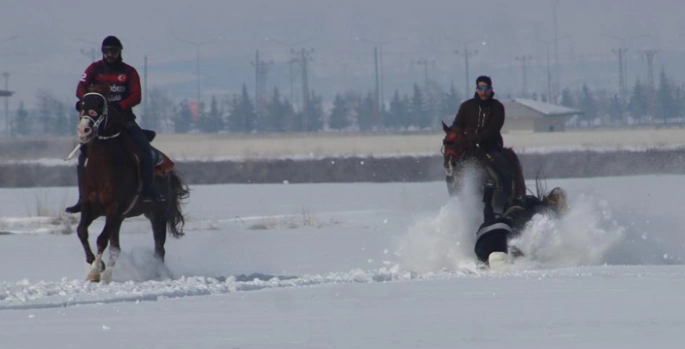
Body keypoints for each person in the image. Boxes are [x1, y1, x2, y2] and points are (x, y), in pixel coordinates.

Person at [66, 35, 164, 214]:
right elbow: (80, 88)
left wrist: (119, 106)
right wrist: (89, 100)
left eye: (113, 51)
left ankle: (149, 190)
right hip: (100, 122)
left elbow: (136, 95)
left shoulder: (129, 72)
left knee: (144, 150)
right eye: (106, 51)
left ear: (120, 51)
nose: (109, 55)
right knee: (83, 155)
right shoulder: (94, 69)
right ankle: (82, 198)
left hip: (123, 119)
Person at [474, 179, 568, 264]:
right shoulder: (542, 212)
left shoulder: (524, 204)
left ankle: (488, 195)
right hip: (501, 240)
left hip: (483, 236)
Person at [451, 76, 513, 199]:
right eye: (481, 88)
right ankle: (455, 199)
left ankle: (506, 199)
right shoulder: (466, 107)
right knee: (453, 171)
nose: (483, 91)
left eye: (486, 88)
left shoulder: (497, 107)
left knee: (504, 169)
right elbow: (457, 125)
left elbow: (494, 128)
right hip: (468, 149)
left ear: (491, 89)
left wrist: (477, 139)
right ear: (477, 89)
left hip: (490, 148)